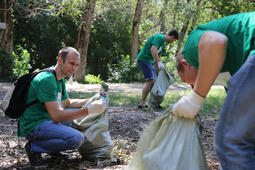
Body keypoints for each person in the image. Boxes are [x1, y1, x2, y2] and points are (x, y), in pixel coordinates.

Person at [173, 12, 255, 169]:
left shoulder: (191, 48)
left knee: (232, 139)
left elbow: (217, 41)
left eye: (185, 81)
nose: (190, 86)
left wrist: (195, 98)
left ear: (185, 64)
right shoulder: (228, 72)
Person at [18, 47, 106, 167]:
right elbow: (56, 116)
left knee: (76, 118)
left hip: (46, 119)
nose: (74, 68)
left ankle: (52, 149)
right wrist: (89, 110)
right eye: (71, 63)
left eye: (77, 65)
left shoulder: (59, 78)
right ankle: (33, 147)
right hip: (33, 125)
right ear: (60, 60)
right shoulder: (47, 79)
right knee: (76, 139)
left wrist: (93, 99)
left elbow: (67, 104)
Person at [137, 30, 179, 109]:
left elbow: (157, 57)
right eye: (174, 40)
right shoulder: (158, 37)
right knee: (150, 81)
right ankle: (142, 103)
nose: (172, 42)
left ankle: (152, 103)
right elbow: (153, 50)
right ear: (172, 37)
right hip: (144, 59)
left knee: (154, 81)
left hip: (149, 61)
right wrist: (159, 62)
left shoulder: (162, 44)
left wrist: (159, 70)